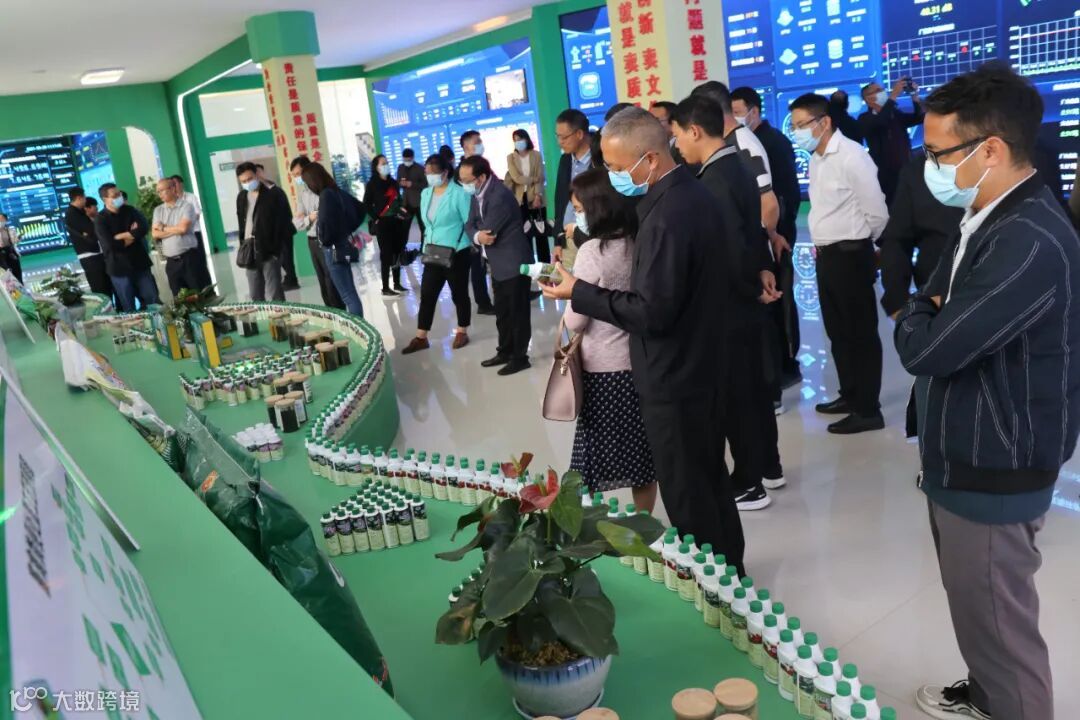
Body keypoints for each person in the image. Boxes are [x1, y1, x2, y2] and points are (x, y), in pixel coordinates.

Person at [894, 63, 1080, 720]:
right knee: (977, 609)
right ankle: (988, 694)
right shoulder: (986, 214)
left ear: (991, 149)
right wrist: (926, 308)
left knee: (1001, 625)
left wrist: (917, 314)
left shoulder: (1027, 239)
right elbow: (933, 297)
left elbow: (927, 347)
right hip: (965, 452)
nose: (930, 167)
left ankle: (1013, 703)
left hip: (994, 464)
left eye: (939, 152)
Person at [541, 107, 746, 576]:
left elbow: (651, 311)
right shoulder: (684, 195)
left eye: (617, 168)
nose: (614, 179)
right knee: (707, 477)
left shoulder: (669, 215)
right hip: (700, 363)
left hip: (676, 373)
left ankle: (713, 581)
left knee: (688, 490)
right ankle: (730, 569)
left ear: (649, 159)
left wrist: (579, 293)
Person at [672, 94, 784, 512]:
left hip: (731, 304)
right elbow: (751, 229)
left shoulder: (713, 181)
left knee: (737, 396)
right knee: (752, 390)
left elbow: (730, 247)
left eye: (677, 135)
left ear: (694, 131)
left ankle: (749, 483)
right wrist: (762, 268)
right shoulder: (735, 165)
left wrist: (749, 283)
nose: (677, 145)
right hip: (745, 295)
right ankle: (768, 468)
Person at [790, 94, 888, 434]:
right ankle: (850, 394)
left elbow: (876, 211)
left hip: (851, 254)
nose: (797, 132)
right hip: (827, 256)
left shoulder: (852, 156)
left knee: (860, 333)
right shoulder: (817, 159)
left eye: (801, 125)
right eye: (794, 126)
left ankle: (868, 409)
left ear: (824, 122)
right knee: (838, 332)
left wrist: (869, 247)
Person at [563, 168, 657, 511]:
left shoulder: (592, 252)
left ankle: (588, 526)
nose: (577, 217)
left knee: (590, 462)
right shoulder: (640, 241)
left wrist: (565, 294)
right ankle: (643, 525)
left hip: (602, 372)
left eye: (579, 209)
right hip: (640, 364)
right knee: (642, 460)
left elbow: (575, 319)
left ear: (596, 208)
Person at [732, 86, 804, 389]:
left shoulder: (769, 142)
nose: (735, 118)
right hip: (769, 231)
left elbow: (784, 193)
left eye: (738, 112)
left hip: (777, 231)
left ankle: (788, 364)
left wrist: (777, 231)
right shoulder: (750, 140)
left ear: (754, 111)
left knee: (779, 300)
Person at [460, 156, 533, 376]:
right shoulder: (478, 193)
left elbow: (489, 231)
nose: (464, 185)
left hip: (513, 262)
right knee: (502, 312)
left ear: (481, 177)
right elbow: (469, 225)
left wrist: (479, 233)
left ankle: (520, 358)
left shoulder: (499, 195)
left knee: (517, 313)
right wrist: (477, 235)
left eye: (467, 180)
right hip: (497, 264)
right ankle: (505, 351)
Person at [400, 154, 474, 355]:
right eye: (427, 172)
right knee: (427, 294)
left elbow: (468, 223)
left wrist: (466, 246)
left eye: (433, 173)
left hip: (456, 251)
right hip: (432, 251)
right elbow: (427, 223)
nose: (429, 176)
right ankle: (421, 337)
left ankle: (462, 330)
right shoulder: (426, 193)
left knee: (459, 293)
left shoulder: (459, 193)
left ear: (445, 173)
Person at [878, 153, 964, 319]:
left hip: (1000, 296)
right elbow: (897, 239)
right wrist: (897, 302)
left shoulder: (1004, 158)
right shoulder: (916, 171)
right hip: (936, 299)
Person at [301, 162, 366, 317]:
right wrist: (346, 229)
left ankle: (358, 326)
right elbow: (360, 209)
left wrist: (324, 240)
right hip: (342, 244)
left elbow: (324, 224)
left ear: (313, 181)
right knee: (350, 292)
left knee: (347, 295)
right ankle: (359, 325)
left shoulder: (325, 195)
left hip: (333, 249)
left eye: (307, 183)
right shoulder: (336, 191)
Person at [289, 156, 344, 309]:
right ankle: (330, 311)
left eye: (298, 174)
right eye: (294, 175)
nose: (297, 178)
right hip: (311, 241)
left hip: (326, 239)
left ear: (308, 170)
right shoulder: (303, 194)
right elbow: (297, 223)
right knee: (322, 279)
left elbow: (325, 215)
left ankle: (339, 311)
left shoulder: (323, 191)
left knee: (331, 278)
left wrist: (308, 217)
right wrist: (310, 217)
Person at [859, 78, 924, 205]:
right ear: (868, 99)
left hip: (904, 169)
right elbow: (881, 122)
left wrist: (914, 95)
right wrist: (893, 96)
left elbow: (918, 118)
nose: (882, 92)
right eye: (878, 90)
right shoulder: (864, 119)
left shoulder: (894, 113)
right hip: (884, 175)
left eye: (882, 89)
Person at [94, 183, 159, 311]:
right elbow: (111, 245)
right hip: (118, 268)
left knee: (152, 298)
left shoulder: (130, 210)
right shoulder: (100, 220)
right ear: (105, 199)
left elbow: (143, 228)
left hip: (140, 263)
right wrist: (133, 235)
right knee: (128, 305)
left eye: (119, 194)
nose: (119, 197)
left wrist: (123, 235)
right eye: (115, 195)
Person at [234, 162, 291, 302]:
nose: (247, 183)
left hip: (269, 251)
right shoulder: (242, 197)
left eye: (250, 179)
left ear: (257, 175)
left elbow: (283, 222)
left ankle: (279, 317)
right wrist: (242, 244)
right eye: (243, 181)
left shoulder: (272, 194)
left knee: (274, 293)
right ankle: (262, 316)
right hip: (250, 250)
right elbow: (242, 223)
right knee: (255, 294)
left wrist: (276, 250)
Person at [553, 109, 595, 269]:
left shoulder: (599, 159)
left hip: (592, 237)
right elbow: (560, 201)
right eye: (557, 136)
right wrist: (558, 240)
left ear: (579, 134)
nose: (560, 142)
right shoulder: (565, 160)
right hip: (568, 238)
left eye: (564, 137)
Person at [459, 131, 495, 315]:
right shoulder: (463, 172)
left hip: (490, 219)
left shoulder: (482, 165)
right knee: (478, 265)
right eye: (476, 142)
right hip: (474, 224)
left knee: (496, 261)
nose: (480, 144)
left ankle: (518, 292)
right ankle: (483, 302)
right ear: (466, 146)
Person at [363, 155, 409, 296]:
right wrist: (376, 218)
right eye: (383, 163)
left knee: (397, 251)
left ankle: (397, 283)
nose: (386, 165)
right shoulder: (372, 184)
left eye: (387, 163)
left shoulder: (393, 182)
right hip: (382, 223)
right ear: (376, 167)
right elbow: (366, 204)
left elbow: (398, 200)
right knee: (386, 254)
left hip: (397, 221)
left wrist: (402, 210)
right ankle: (385, 287)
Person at [151, 178, 203, 295]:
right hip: (171, 262)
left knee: (197, 294)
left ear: (172, 189)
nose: (159, 194)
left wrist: (163, 228)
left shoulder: (187, 206)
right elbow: (155, 234)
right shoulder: (158, 210)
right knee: (178, 297)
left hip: (189, 258)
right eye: (158, 191)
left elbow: (183, 229)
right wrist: (176, 229)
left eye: (162, 190)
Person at [504, 129, 549, 263]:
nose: (518, 142)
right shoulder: (511, 157)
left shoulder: (536, 155)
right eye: (515, 140)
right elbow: (516, 178)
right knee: (525, 234)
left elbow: (540, 177)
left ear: (527, 139)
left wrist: (537, 195)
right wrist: (533, 179)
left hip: (536, 197)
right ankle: (529, 264)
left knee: (541, 233)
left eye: (520, 139)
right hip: (520, 199)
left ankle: (545, 265)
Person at [65, 188, 113, 298]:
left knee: (107, 287)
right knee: (100, 290)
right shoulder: (72, 214)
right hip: (89, 257)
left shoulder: (80, 212)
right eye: (84, 197)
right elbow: (91, 231)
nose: (85, 200)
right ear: (79, 198)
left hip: (97, 255)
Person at [169, 174, 212, 288]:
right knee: (188, 264)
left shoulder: (191, 197)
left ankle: (207, 288)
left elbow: (196, 215)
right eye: (171, 185)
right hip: (180, 237)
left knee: (200, 261)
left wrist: (182, 224)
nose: (173, 187)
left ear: (181, 184)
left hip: (194, 234)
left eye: (175, 184)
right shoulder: (171, 201)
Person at [397, 148, 428, 244]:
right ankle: (403, 248)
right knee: (404, 227)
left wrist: (412, 184)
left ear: (413, 158)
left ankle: (423, 248)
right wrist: (401, 183)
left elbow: (426, 184)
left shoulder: (420, 168)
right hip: (406, 202)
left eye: (409, 160)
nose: (407, 162)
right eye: (405, 160)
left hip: (419, 202)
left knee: (423, 227)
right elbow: (397, 182)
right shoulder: (400, 167)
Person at [0, 214, 22, 283]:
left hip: (10, 251)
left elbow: (14, 241)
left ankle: (20, 284)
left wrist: (18, 238)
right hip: (1, 254)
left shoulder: (10, 230)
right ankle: (10, 287)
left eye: (1, 219)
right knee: (6, 272)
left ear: (6, 220)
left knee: (16, 270)